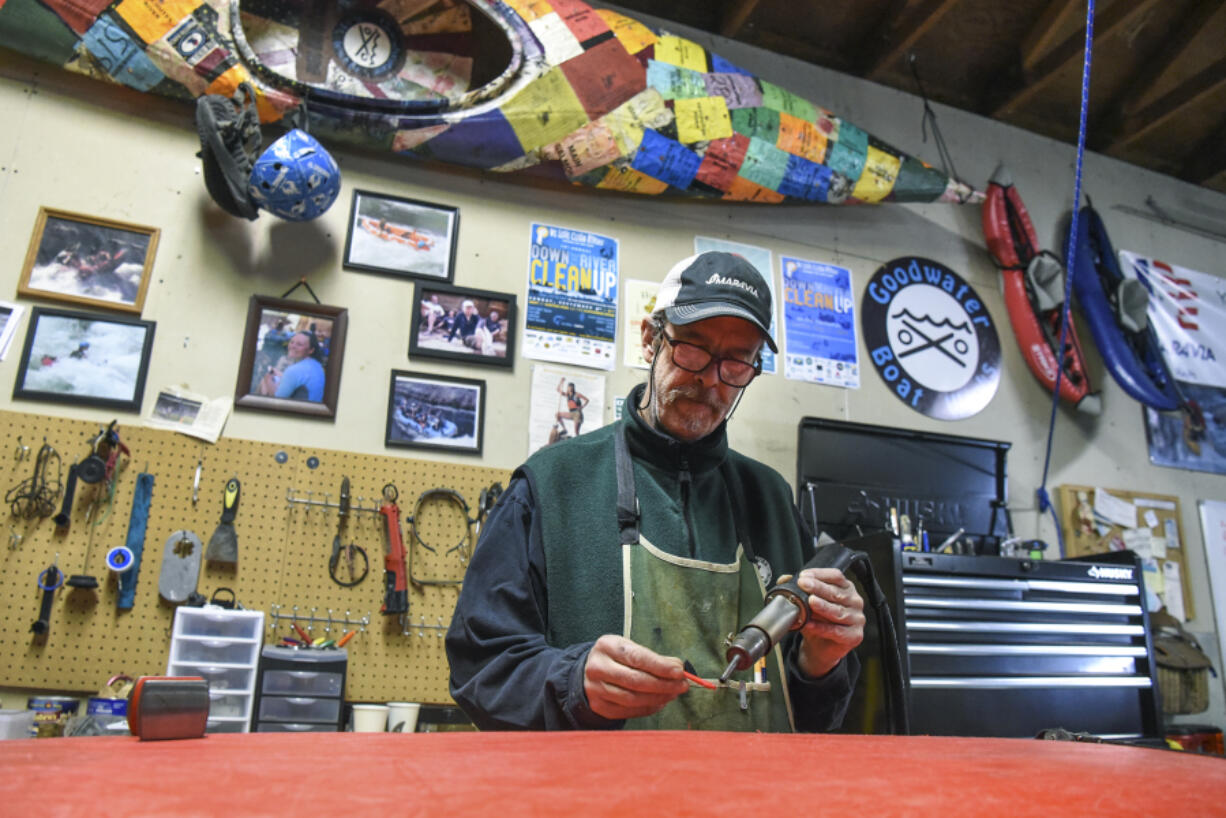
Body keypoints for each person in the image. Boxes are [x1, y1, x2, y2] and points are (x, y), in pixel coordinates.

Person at [446, 251, 864, 732]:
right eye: (693, 349)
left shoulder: (770, 500)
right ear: (651, 340)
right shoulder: (553, 485)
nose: (710, 378)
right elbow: (480, 669)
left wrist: (823, 660)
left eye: (736, 362)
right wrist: (572, 681)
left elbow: (813, 717)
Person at [259, 331, 325, 401]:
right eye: (292, 342)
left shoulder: (294, 370)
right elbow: (300, 379)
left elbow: (278, 400)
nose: (293, 346)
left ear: (311, 350)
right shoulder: (317, 365)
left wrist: (267, 378)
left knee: (264, 381)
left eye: (299, 344)